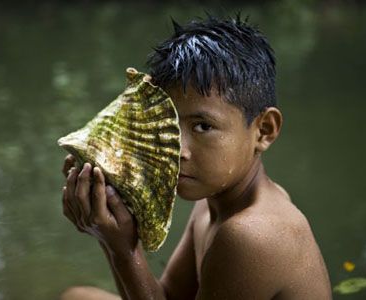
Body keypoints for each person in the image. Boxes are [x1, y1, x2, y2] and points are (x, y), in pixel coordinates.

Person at [60, 14, 332, 300]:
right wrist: (111, 226)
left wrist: (123, 251)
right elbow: (169, 296)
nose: (176, 151)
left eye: (203, 126)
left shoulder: (253, 235)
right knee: (77, 297)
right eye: (166, 128)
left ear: (264, 130)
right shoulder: (214, 201)